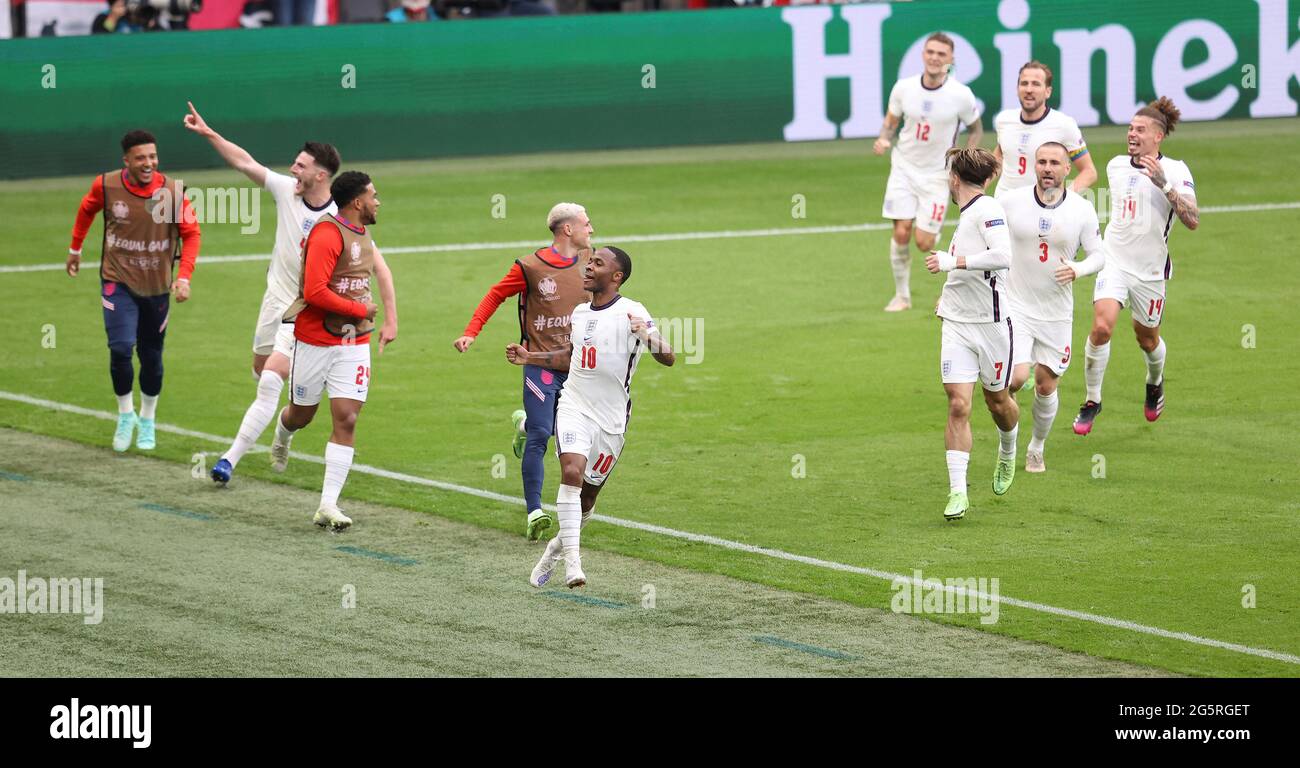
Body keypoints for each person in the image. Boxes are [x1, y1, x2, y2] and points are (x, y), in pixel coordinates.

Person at [182, 102, 395, 485]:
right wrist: (210, 132)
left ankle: (229, 459)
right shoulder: (286, 191)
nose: (293, 170)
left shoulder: (341, 217)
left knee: (270, 381)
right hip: (272, 303)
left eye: (300, 165)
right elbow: (245, 163)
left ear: (321, 174)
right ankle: (283, 430)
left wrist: (389, 318)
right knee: (262, 372)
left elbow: (378, 266)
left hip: (305, 310)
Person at [506, 247, 675, 588]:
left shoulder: (633, 311)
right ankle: (574, 565)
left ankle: (555, 549)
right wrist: (530, 357)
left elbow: (668, 356)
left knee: (587, 497)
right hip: (574, 404)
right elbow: (571, 356)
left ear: (616, 276)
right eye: (590, 260)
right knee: (571, 471)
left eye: (598, 263)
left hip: (611, 419)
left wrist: (646, 334)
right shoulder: (580, 313)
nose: (588, 266)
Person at [453, 203, 591, 540]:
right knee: (543, 435)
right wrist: (472, 332)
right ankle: (534, 512)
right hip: (539, 364)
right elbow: (495, 294)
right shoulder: (530, 267)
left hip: (577, 366)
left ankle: (523, 425)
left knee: (570, 436)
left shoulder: (594, 262)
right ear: (568, 229)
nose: (592, 229)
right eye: (587, 224)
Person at [272, 172, 396, 530]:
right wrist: (361, 310)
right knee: (301, 415)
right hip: (315, 340)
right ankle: (283, 434)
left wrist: (387, 318)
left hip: (354, 343)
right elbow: (314, 292)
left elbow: (376, 277)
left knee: (348, 418)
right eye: (373, 195)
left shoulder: (364, 234)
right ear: (357, 202)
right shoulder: (327, 234)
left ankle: (328, 504)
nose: (378, 201)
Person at [66, 130, 201, 452]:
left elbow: (191, 234)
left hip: (156, 287)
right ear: (126, 160)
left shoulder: (172, 191)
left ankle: (148, 418)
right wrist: (75, 248)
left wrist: (184, 277)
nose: (148, 163)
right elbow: (86, 210)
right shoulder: (107, 186)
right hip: (117, 282)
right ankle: (126, 415)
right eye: (141, 158)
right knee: (121, 348)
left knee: (151, 358)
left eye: (152, 157)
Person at [1074, 97, 1198, 435]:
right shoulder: (1116, 165)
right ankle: (1092, 400)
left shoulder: (1176, 170)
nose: (1132, 134)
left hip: (1150, 272)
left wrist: (1165, 185)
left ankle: (1155, 382)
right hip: (1112, 261)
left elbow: (1192, 220)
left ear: (1157, 136)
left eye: (1140, 129)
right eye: (1130, 128)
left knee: (1147, 339)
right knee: (1101, 327)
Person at [1000, 142, 1106, 472]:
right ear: (1035, 166)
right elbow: (982, 235)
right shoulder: (1011, 202)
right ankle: (1008, 446)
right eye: (1042, 162)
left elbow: (1100, 256)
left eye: (1054, 163)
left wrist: (1079, 269)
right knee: (1015, 379)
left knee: (1046, 385)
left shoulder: (1081, 209)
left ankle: (1037, 447)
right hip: (1016, 306)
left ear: (1067, 169)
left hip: (1056, 314)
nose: (1047, 168)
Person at [925, 147, 1017, 521]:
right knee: (958, 403)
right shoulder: (966, 217)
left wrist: (954, 261)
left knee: (998, 402)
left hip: (992, 326)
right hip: (958, 326)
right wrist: (947, 298)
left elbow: (1003, 256)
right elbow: (964, 272)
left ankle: (1008, 448)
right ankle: (958, 492)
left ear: (955, 179)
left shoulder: (988, 210)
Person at [874, 32, 983, 312]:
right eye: (930, 52)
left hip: (937, 176)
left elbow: (976, 128)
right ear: (923, 55)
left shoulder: (960, 95)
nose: (935, 58)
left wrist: (965, 160)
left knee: (923, 243)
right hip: (904, 168)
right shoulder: (903, 88)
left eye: (941, 54)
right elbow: (891, 122)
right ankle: (902, 296)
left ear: (951, 60)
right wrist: (885, 138)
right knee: (900, 233)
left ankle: (929, 233)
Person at [991, 61, 1097, 198]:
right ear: (1017, 89)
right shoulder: (1004, 120)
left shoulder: (1064, 125)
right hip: (1002, 208)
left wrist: (1063, 198)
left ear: (1048, 92)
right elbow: (999, 157)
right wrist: (978, 188)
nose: (1029, 89)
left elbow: (1089, 171)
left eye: (1036, 84)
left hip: (1040, 210)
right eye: (1024, 83)